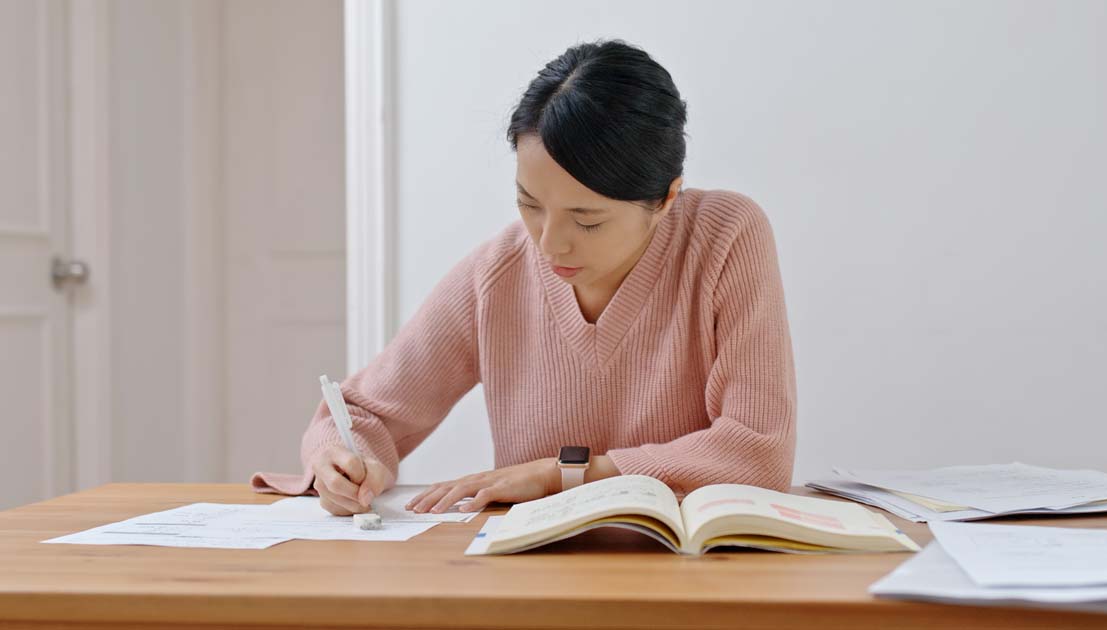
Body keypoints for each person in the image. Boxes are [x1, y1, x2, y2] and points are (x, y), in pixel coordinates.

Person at [251, 39, 797, 517]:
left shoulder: (726, 236)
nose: (550, 242)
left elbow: (757, 448)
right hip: (533, 577)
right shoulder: (500, 272)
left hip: (694, 575)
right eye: (529, 205)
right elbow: (367, 413)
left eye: (588, 220)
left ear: (666, 198)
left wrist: (562, 474)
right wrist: (341, 461)